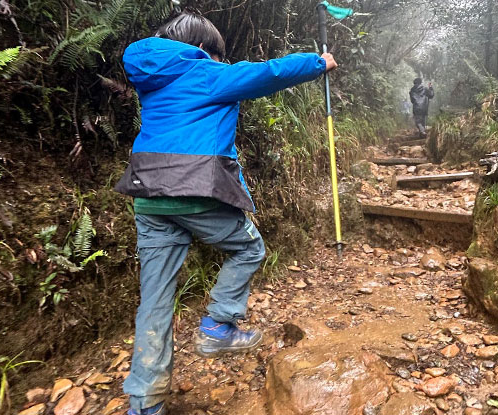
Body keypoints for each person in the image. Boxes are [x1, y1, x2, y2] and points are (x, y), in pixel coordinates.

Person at [113, 12, 337, 415]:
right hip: (193, 189)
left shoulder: (149, 78)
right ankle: (218, 325)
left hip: (147, 195)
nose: (220, 62)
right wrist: (319, 62)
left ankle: (145, 403)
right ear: (202, 49)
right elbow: (269, 73)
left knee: (155, 300)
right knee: (248, 249)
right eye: (217, 55)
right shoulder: (205, 73)